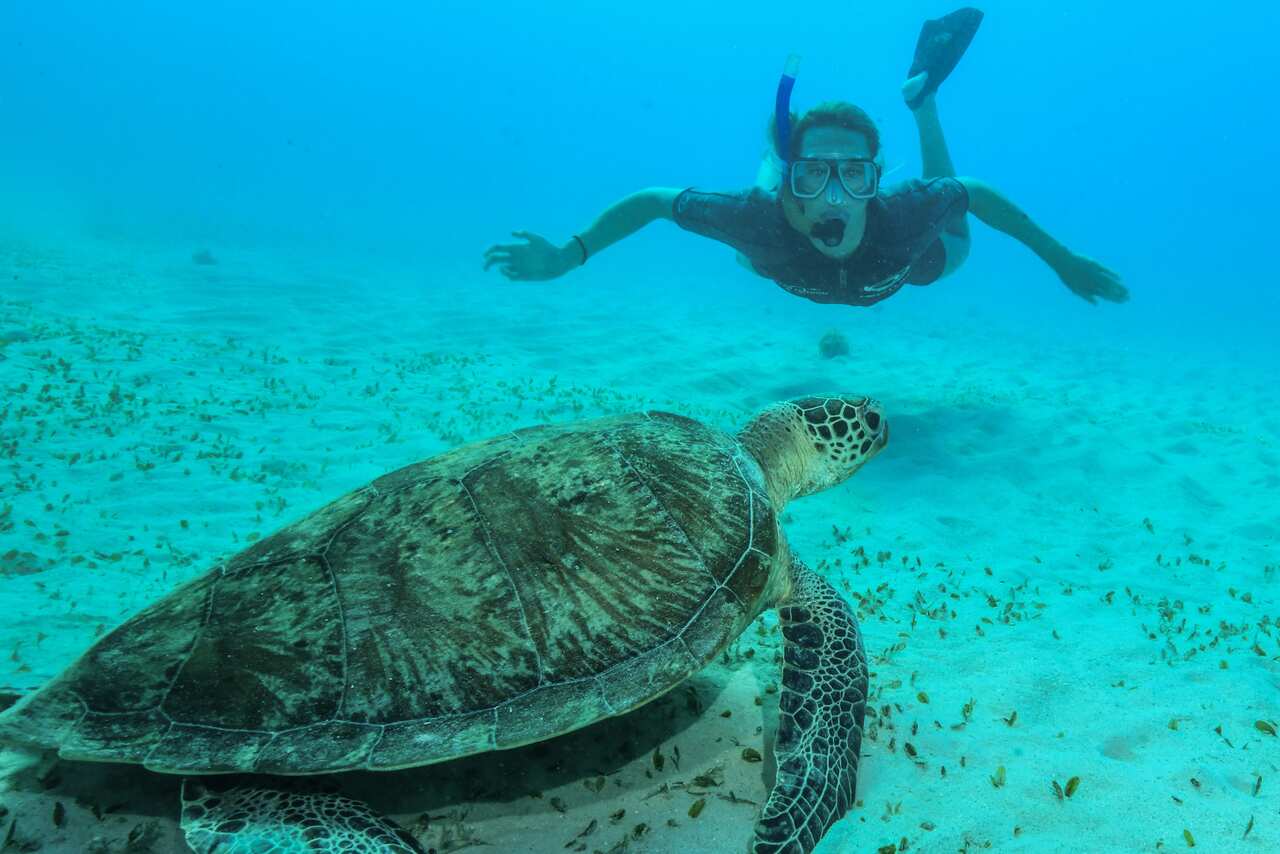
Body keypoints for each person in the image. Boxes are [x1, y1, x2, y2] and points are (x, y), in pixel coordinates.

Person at [484, 8, 1128, 307]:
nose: (835, 194)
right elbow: (653, 201)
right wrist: (571, 254)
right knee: (749, 243)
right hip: (774, 241)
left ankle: (922, 101)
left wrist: (1061, 259)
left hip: (907, 267)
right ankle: (774, 155)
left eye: (854, 175)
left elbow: (975, 190)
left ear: (875, 180)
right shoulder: (758, 218)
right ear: (800, 176)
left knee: (956, 240)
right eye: (816, 172)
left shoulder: (902, 214)